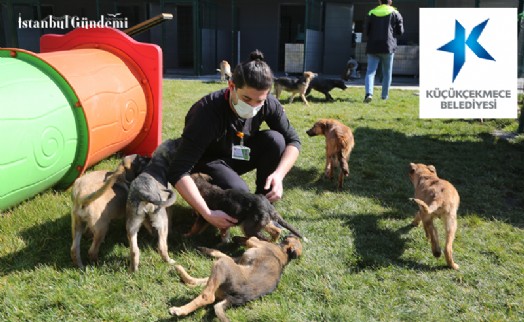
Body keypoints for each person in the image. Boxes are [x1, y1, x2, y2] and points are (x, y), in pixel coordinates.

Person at [168, 50, 301, 231]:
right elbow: (178, 170)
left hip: (237, 152)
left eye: (259, 101)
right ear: (231, 86)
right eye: (246, 98)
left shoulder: (270, 104)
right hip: (208, 161)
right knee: (239, 194)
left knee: (275, 140)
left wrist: (279, 175)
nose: (253, 106)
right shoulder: (206, 113)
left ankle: (262, 206)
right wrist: (207, 213)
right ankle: (227, 206)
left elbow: (293, 141)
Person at [363, 0, 404, 103]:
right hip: (388, 46)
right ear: (390, 1)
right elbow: (401, 31)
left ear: (379, 1)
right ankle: (384, 96)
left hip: (373, 46)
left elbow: (366, 31)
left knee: (370, 72)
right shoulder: (395, 13)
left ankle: (369, 94)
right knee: (387, 73)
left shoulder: (371, 12)